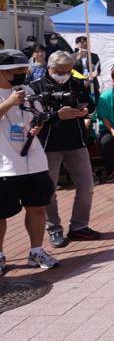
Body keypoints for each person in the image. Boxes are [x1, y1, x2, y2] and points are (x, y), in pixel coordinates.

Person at [31, 51, 100, 249]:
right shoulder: (36, 87)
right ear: (49, 68)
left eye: (68, 71)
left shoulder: (77, 84)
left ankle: (79, 227)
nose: (64, 75)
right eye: (60, 71)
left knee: (87, 186)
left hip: (76, 142)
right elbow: (34, 116)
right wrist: (56, 115)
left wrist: (85, 111)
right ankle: (53, 228)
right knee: (49, 190)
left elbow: (91, 104)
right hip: (48, 145)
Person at [0, 50, 60, 272]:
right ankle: (0, 255)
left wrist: (38, 125)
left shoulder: (27, 90)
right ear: (4, 72)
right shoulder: (12, 95)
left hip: (33, 160)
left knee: (36, 208)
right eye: (18, 71)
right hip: (5, 164)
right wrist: (9, 102)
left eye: (25, 70)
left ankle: (36, 251)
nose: (23, 74)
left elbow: (38, 116)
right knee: (1, 214)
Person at [73, 35, 101, 99]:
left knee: (96, 101)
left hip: (92, 82)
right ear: (77, 44)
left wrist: (93, 74)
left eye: (86, 42)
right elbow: (71, 70)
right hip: (78, 83)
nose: (85, 44)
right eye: (82, 42)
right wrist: (78, 57)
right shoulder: (72, 56)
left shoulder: (94, 56)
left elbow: (98, 69)